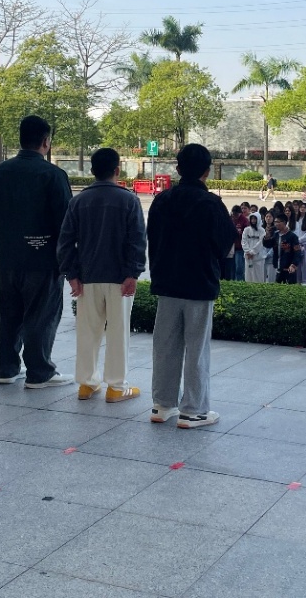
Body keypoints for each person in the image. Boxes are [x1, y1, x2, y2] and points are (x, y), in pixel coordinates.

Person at [146, 144, 236, 428]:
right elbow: (226, 244)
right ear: (207, 171)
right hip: (199, 283)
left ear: (177, 169)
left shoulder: (162, 200)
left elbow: (152, 238)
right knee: (197, 349)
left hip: (167, 284)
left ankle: (162, 405)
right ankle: (193, 410)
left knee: (165, 346)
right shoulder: (211, 203)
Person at [0, 115, 74, 388]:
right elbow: (65, 222)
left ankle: (6, 368)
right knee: (41, 313)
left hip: (7, 255)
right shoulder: (53, 175)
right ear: (46, 141)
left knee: (8, 312)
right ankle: (39, 371)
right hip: (43, 257)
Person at [57, 147, 147, 403]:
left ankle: (87, 384)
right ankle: (116, 387)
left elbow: (65, 242)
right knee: (118, 332)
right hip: (120, 278)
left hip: (87, 278)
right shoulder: (129, 200)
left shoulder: (78, 201)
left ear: (92, 170)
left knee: (87, 332)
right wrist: (133, 273)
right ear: (117, 170)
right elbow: (137, 241)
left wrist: (72, 274)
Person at [241, 213, 266, 283]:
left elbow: (261, 243)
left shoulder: (262, 231)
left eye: (255, 219)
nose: (253, 221)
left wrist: (252, 252)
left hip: (258, 258)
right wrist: (248, 252)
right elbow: (244, 241)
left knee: (258, 278)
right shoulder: (246, 230)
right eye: (252, 219)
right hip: (248, 257)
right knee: (248, 277)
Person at [275, 218, 301, 284]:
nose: (276, 224)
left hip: (289, 269)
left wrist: (294, 264)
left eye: (278, 222)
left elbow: (297, 252)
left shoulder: (293, 236)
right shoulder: (275, 235)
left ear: (284, 223)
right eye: (275, 222)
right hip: (278, 268)